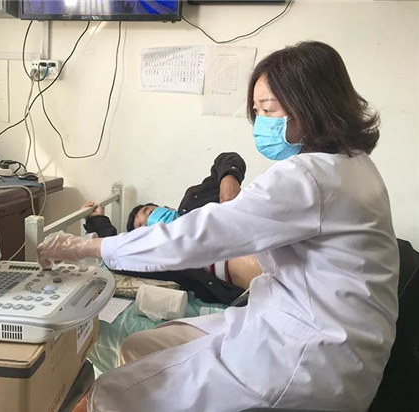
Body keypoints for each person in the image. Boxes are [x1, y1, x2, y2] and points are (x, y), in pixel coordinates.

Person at [38, 41, 398, 412]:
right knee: (139, 346)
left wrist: (89, 246)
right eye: (256, 111)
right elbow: (221, 240)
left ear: (310, 105)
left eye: (268, 109)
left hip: (306, 355)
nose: (261, 121)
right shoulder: (354, 166)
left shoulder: (309, 177)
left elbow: (201, 233)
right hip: (316, 332)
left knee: (110, 395)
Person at [83, 152, 246, 236]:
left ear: (167, 208)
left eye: (149, 212)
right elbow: (116, 251)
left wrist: (228, 177)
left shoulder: (195, 197)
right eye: (141, 226)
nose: (148, 221)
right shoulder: (167, 254)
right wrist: (97, 220)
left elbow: (228, 158)